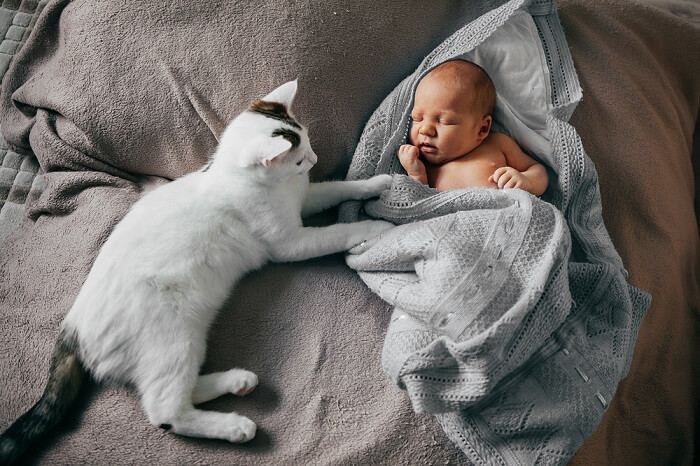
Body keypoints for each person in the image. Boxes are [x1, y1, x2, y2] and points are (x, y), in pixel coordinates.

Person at [398, 59, 548, 195]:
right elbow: (420, 206)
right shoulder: (424, 166)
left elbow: (539, 171)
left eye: (445, 121)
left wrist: (526, 180)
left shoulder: (497, 144)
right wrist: (416, 175)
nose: (425, 130)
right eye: (417, 118)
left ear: (482, 129)